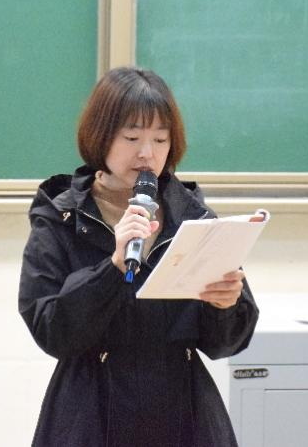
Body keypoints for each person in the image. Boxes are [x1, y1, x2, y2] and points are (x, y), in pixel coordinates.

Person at [18, 67, 259, 446]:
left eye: (160, 139)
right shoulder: (61, 216)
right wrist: (112, 268)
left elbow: (224, 344)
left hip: (183, 413)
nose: (147, 153)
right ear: (100, 136)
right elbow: (50, 330)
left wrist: (225, 305)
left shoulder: (193, 216)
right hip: (90, 415)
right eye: (131, 137)